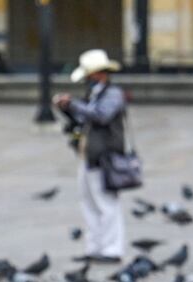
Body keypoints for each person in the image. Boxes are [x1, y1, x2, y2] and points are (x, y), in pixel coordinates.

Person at [54, 49, 127, 264]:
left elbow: (101, 116)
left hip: (105, 157)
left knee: (107, 204)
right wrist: (67, 108)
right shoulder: (94, 94)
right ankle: (95, 247)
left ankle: (112, 249)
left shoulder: (113, 94)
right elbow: (83, 119)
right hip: (88, 156)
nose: (86, 79)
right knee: (89, 203)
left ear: (98, 74)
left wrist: (75, 103)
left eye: (88, 74)